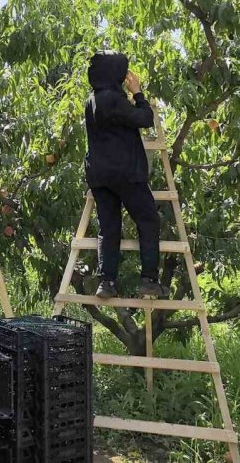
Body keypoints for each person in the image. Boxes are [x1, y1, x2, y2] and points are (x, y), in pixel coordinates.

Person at [83, 50, 166, 300]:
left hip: (98, 173)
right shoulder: (114, 100)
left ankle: (106, 281)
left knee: (109, 228)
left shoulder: (92, 99)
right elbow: (144, 119)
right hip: (125, 172)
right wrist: (138, 93)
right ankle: (149, 280)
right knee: (148, 221)